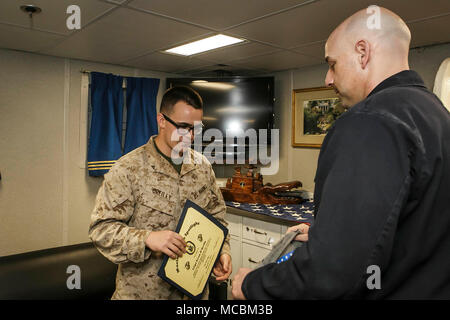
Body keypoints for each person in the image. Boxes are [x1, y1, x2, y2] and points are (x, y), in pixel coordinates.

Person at [232, 6, 450, 299]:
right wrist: (330, 234)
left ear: (363, 52)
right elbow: (412, 228)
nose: (328, 79)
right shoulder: (437, 115)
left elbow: (332, 272)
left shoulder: (368, 121)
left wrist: (252, 285)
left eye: (332, 64)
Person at [89, 86, 232, 300]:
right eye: (183, 127)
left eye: (196, 128)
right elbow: (101, 231)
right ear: (162, 120)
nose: (190, 136)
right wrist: (147, 239)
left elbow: (217, 218)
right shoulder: (128, 169)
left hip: (193, 294)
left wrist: (222, 251)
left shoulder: (202, 167)